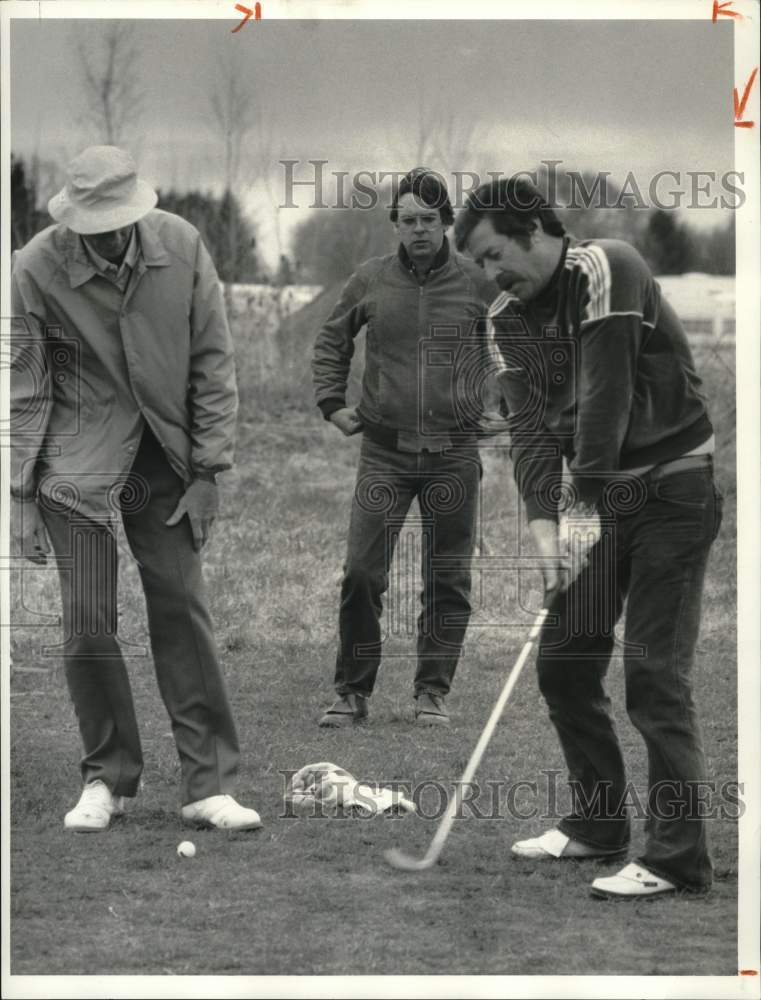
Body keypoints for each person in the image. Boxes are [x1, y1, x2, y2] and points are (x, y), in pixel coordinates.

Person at [454, 176, 722, 899]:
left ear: (533, 229)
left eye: (491, 255)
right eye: (477, 265)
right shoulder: (505, 317)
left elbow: (604, 393)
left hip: (670, 490)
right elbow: (533, 430)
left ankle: (675, 860)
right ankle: (598, 825)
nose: (489, 274)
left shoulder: (607, 265)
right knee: (566, 660)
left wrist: (582, 507)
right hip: (600, 502)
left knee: (654, 676)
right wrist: (545, 526)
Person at [10, 145, 261, 833]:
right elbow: (27, 385)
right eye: (92, 225)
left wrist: (209, 472)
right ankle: (107, 779)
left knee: (180, 604)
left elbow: (213, 361)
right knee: (88, 617)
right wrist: (21, 493)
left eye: (117, 222)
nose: (106, 237)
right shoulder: (34, 265)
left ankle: (208, 784)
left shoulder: (181, 246)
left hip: (164, 455)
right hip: (74, 458)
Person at [312, 167, 497, 727]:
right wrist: (331, 402)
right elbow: (331, 339)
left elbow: (525, 337)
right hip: (385, 455)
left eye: (429, 220)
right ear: (396, 224)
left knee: (447, 577)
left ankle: (431, 693)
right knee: (362, 574)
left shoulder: (477, 283)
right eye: (408, 220)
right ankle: (351, 693)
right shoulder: (369, 280)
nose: (418, 230)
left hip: (454, 454)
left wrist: (506, 409)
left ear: (447, 223)